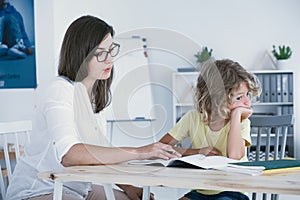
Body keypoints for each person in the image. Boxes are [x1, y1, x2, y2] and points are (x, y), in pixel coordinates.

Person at [6, 15, 181, 200]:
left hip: (77, 188)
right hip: (39, 189)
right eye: (100, 54)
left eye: (111, 50)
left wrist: (128, 187)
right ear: (81, 55)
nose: (109, 60)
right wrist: (140, 152)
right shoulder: (60, 90)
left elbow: (99, 154)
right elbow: (70, 155)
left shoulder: (93, 97)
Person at [160, 59, 261, 200]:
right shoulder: (192, 118)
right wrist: (197, 152)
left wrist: (236, 115)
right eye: (239, 97)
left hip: (233, 191)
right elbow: (161, 148)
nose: (247, 102)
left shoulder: (242, 122)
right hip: (200, 191)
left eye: (247, 95)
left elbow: (234, 156)